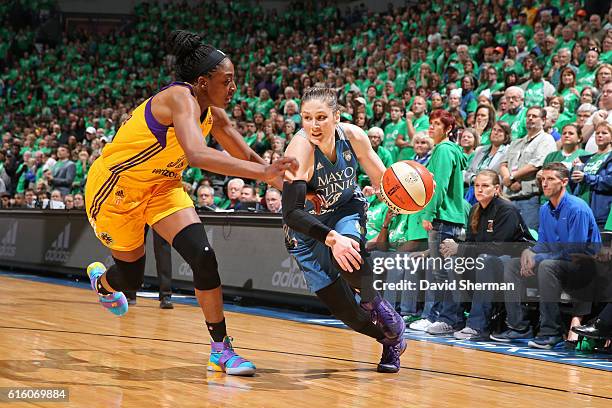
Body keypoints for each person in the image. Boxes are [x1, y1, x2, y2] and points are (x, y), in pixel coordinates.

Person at [84, 30, 298, 377]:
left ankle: (220, 349)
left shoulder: (213, 112)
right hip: (116, 189)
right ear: (202, 81)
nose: (233, 88)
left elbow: (242, 151)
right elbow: (197, 154)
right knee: (131, 278)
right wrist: (262, 172)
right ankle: (102, 284)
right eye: (227, 81)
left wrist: (289, 187)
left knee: (204, 256)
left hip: (162, 188)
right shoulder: (178, 97)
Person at [282, 87, 406, 373]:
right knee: (346, 312)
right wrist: (329, 238)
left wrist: (411, 197)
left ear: (337, 117)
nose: (314, 125)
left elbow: (385, 184)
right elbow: (291, 213)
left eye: (322, 117)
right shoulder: (299, 149)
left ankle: (376, 303)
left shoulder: (354, 137)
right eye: (307, 118)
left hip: (344, 210)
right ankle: (389, 339)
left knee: (348, 253)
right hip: (305, 229)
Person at [490, 163, 601, 349]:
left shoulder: (577, 208)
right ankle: (519, 327)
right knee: (512, 265)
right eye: (542, 179)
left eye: (550, 179)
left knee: (546, 265)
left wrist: (538, 258)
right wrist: (530, 252)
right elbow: (542, 243)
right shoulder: (544, 209)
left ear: (564, 182)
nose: (545, 184)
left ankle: (551, 332)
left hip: (584, 267)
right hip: (557, 262)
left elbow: (575, 251)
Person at [440, 170, 533, 340]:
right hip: (489, 259)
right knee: (455, 262)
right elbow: (471, 242)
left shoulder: (507, 209)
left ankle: (477, 326)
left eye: (485, 186)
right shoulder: (475, 209)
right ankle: (451, 320)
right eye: (476, 186)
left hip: (514, 259)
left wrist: (460, 248)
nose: (479, 190)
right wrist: (458, 251)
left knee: (485, 260)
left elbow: (499, 248)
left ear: (496, 188)